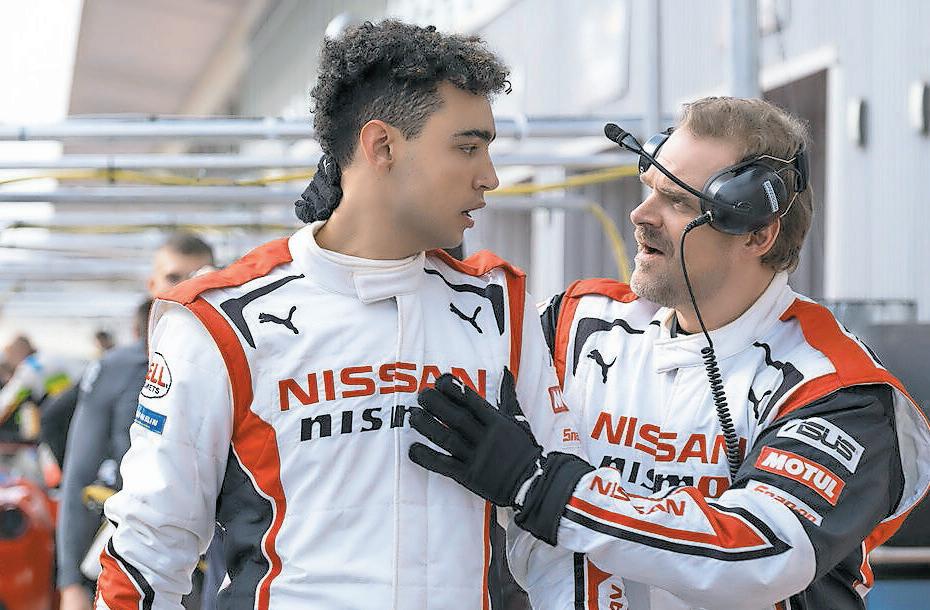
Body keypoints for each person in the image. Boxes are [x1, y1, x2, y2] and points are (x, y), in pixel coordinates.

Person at [96, 20, 585, 610]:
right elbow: (149, 548)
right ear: (381, 146)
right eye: (467, 147)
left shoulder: (500, 307)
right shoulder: (221, 320)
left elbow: (561, 543)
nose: (491, 176)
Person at [408, 97, 930, 609]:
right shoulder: (577, 326)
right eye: (650, 188)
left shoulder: (836, 386)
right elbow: (428, 350)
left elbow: (757, 554)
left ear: (758, 235)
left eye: (678, 202)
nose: (641, 214)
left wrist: (541, 487)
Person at [58, 232, 215, 610]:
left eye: (199, 276)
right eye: (174, 277)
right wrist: (70, 583)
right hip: (130, 553)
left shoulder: (235, 361)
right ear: (152, 284)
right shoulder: (115, 368)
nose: (187, 288)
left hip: (212, 563)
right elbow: (79, 472)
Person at [0, 335, 83, 440]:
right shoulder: (47, 356)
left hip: (70, 402)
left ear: (19, 352)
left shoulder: (29, 367)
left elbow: (8, 401)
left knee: (47, 422)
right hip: (78, 401)